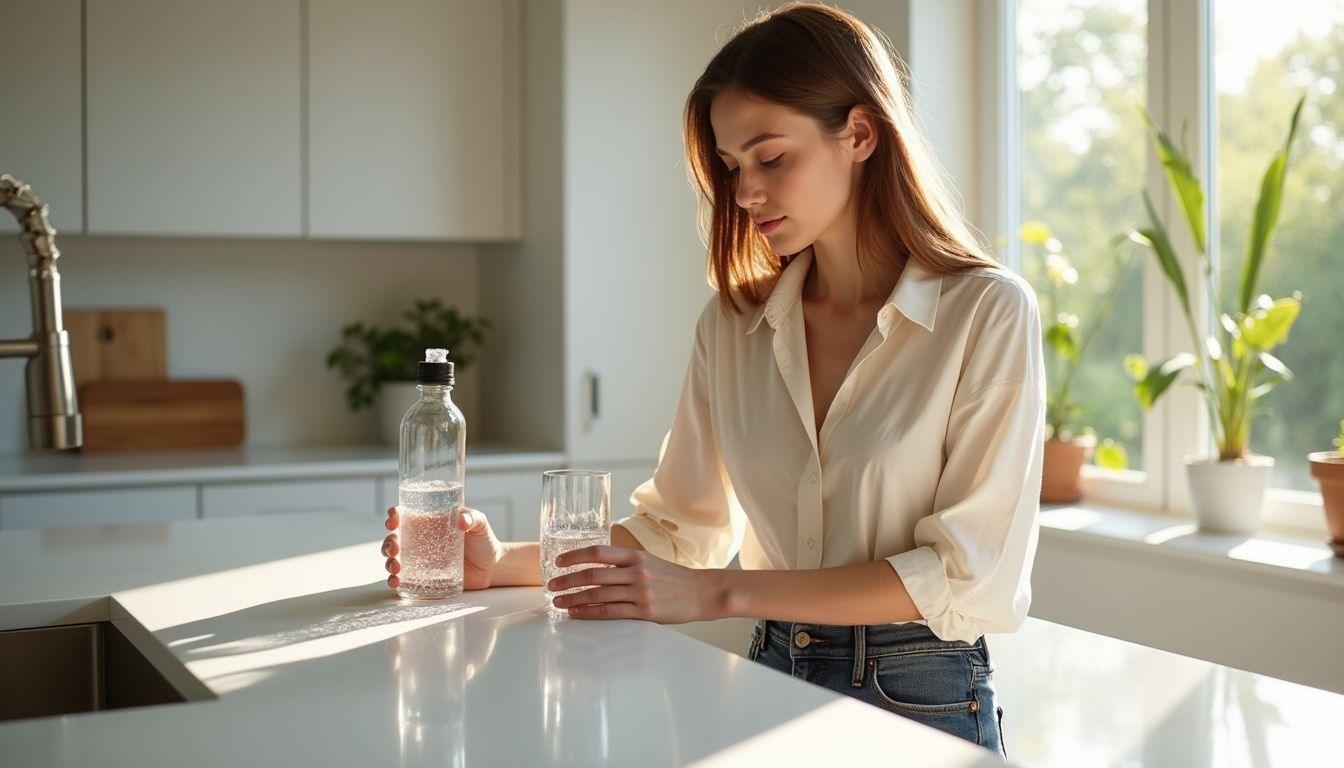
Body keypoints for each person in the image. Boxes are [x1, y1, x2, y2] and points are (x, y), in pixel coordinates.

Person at [383, 3, 1043, 758]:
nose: (744, 193)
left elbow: (966, 578)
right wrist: (502, 564)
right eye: (731, 167)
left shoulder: (986, 314)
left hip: (921, 694)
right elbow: (678, 532)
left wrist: (723, 595)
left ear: (860, 134)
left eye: (770, 158)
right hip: (769, 679)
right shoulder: (733, 327)